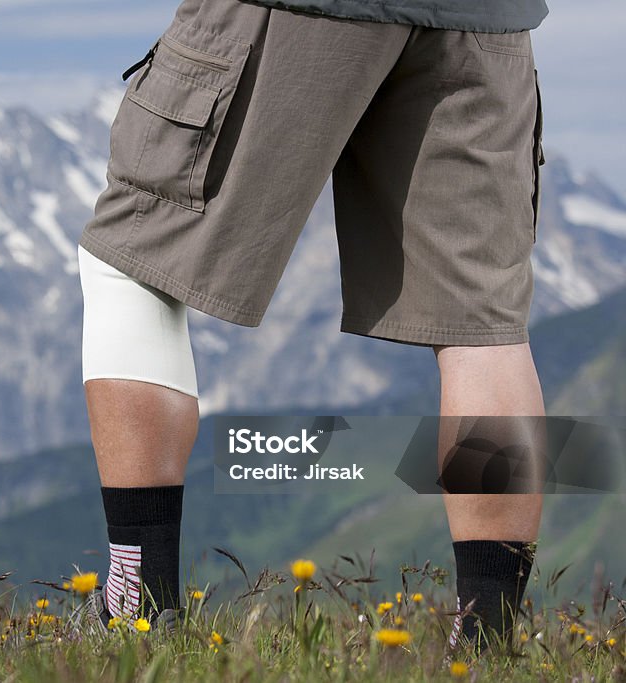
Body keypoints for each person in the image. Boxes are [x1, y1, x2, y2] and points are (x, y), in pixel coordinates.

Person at [77, 0, 548, 651]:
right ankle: (488, 644)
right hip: (485, 17)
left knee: (130, 262)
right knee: (482, 328)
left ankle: (136, 606)